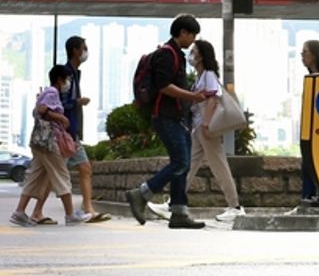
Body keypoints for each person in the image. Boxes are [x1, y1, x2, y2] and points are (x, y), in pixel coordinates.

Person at [125, 14, 215, 230]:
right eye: (192, 35)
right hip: (165, 116)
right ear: (183, 32)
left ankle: (179, 212)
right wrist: (193, 96)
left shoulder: (176, 54)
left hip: (177, 117)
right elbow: (164, 86)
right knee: (180, 162)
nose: (193, 40)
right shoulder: (167, 55)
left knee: (182, 166)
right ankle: (142, 194)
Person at [30, 35, 110, 223]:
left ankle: (38, 211)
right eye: (84, 47)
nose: (85, 52)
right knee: (75, 170)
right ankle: (80, 210)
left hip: (67, 132)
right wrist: (78, 102)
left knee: (60, 173)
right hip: (64, 133)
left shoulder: (73, 73)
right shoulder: (67, 74)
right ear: (75, 50)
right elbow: (60, 103)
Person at [10, 65, 84, 227]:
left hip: (39, 142)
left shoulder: (47, 92)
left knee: (35, 177)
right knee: (62, 175)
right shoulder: (52, 92)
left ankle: (19, 212)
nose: (68, 83)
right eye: (67, 79)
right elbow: (40, 110)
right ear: (59, 79)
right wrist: (60, 118)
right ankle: (70, 215)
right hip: (49, 141)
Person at [186, 39, 243, 222]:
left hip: (205, 128)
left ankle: (235, 206)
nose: (191, 54)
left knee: (219, 166)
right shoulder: (200, 76)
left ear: (202, 56)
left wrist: (206, 125)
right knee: (188, 166)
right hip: (198, 128)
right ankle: (174, 202)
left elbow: (212, 100)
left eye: (194, 51)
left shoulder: (209, 75)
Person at [297, 39, 319, 209]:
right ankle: (307, 198)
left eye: (305, 52)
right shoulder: (309, 78)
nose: (302, 56)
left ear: (314, 55)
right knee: (307, 165)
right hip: (308, 129)